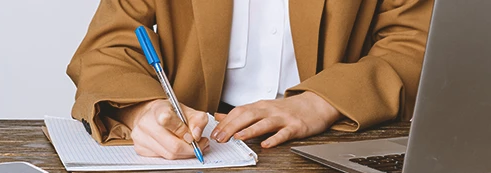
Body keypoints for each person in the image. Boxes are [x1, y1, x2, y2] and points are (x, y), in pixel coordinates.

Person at [67, 0, 433, 160]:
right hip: (199, 146)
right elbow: (109, 46)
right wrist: (144, 110)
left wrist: (320, 102)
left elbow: (415, 43)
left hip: (339, 134)